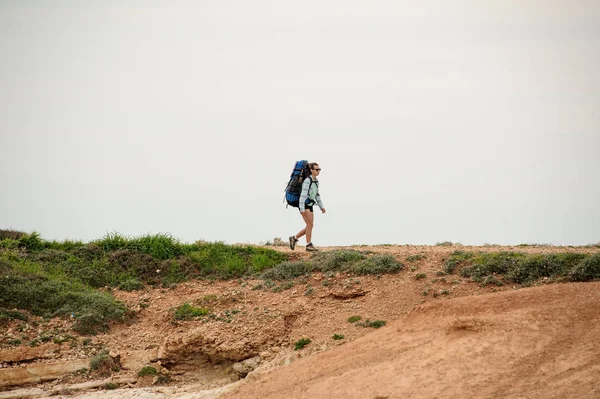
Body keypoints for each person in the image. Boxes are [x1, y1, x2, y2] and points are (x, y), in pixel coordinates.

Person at [289, 162, 326, 251]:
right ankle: (308, 245)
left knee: (310, 225)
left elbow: (317, 195)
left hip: (310, 204)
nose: (318, 171)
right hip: (304, 204)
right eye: (316, 169)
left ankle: (294, 238)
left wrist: (321, 206)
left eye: (319, 169)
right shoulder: (307, 181)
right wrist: (301, 209)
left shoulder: (316, 181)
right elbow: (302, 195)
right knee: (310, 224)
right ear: (311, 170)